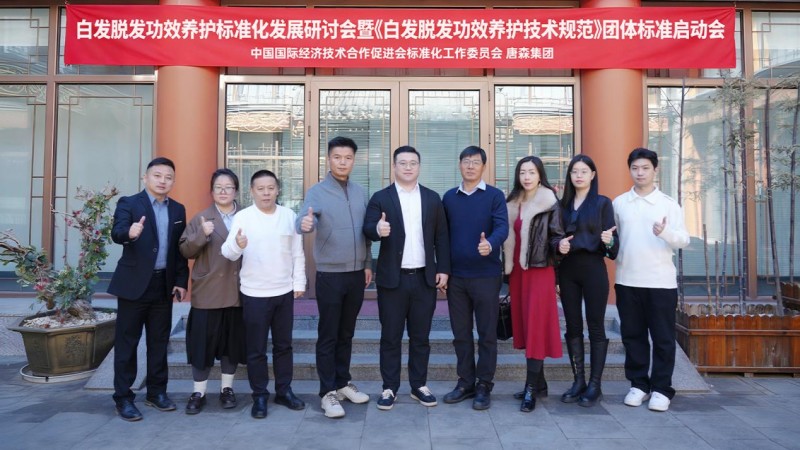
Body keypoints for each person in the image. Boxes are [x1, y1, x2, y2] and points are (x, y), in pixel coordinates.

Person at [363, 146, 451, 411]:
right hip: (393, 280)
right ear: (394, 167)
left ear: (419, 167)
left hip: (424, 279)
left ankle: (418, 385)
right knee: (390, 337)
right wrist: (377, 229)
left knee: (420, 337)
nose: (408, 167)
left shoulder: (432, 198)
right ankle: (389, 387)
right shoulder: (381, 197)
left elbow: (442, 237)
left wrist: (443, 268)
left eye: (413, 162)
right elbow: (367, 228)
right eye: (403, 163)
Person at [296, 136, 372, 418]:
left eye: (348, 158)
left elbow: (367, 232)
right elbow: (304, 220)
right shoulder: (317, 192)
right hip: (330, 274)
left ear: (354, 160)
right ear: (328, 159)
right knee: (328, 334)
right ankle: (327, 392)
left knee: (346, 333)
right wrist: (305, 223)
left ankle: (342, 383)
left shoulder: (361, 191)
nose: (342, 162)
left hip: (356, 273)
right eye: (337, 157)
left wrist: (367, 263)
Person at [108, 156, 189, 422]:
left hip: (163, 285)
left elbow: (179, 249)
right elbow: (117, 232)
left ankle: (156, 392)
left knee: (159, 342)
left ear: (173, 181)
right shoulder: (129, 203)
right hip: (134, 285)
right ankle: (123, 398)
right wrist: (128, 233)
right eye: (157, 175)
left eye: (168, 177)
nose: (163, 181)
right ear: (145, 178)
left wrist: (181, 280)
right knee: (127, 344)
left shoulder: (178, 209)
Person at [222, 170, 307, 419]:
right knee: (256, 349)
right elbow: (228, 252)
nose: (266, 193)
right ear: (252, 191)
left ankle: (284, 390)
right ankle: (259, 395)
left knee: (284, 346)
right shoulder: (243, 217)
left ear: (278, 190)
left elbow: (297, 253)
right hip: (254, 293)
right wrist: (238, 244)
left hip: (284, 291)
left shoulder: (288, 216)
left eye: (271, 188)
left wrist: (299, 282)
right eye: (260, 189)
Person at [613, 148, 690, 412]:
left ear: (655, 170)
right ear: (630, 170)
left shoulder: (668, 204)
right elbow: (614, 238)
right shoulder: (620, 203)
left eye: (645, 168)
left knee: (663, 338)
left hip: (660, 282)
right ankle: (638, 385)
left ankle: (661, 389)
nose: (640, 173)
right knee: (632, 336)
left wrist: (665, 232)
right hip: (627, 280)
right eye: (635, 168)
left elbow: (683, 240)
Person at [441, 145, 509, 410]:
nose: (470, 166)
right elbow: (442, 236)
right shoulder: (449, 197)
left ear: (484, 166)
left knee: (486, 333)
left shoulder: (494, 196)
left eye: (476, 162)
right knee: (460, 333)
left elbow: (502, 227)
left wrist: (490, 243)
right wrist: (443, 270)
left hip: (486, 276)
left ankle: (484, 384)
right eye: (466, 161)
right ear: (459, 164)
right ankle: (465, 382)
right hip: (457, 278)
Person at [178, 168, 246, 415]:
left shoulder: (248, 216)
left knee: (231, 346)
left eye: (228, 187)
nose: (223, 191)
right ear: (212, 191)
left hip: (238, 291)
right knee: (202, 346)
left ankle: (227, 389)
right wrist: (201, 234)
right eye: (219, 187)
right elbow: (185, 251)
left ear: (236, 191)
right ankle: (199, 391)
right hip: (208, 292)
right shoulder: (201, 218)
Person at [502, 156, 565, 413]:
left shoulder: (550, 202)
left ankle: (530, 388)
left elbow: (557, 236)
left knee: (536, 326)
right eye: (522, 172)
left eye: (531, 172)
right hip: (518, 273)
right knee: (526, 325)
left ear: (540, 175)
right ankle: (540, 384)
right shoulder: (512, 202)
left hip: (539, 271)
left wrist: (560, 246)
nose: (526, 177)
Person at [557, 154, 619, 407]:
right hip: (567, 270)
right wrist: (558, 245)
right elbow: (553, 238)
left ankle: (595, 385)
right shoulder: (562, 205)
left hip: (593, 268)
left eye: (584, 171)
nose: (579, 175)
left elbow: (613, 247)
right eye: (574, 171)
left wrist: (609, 241)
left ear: (593, 175)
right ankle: (578, 381)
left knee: (595, 326)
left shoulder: (603, 203)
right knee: (572, 327)